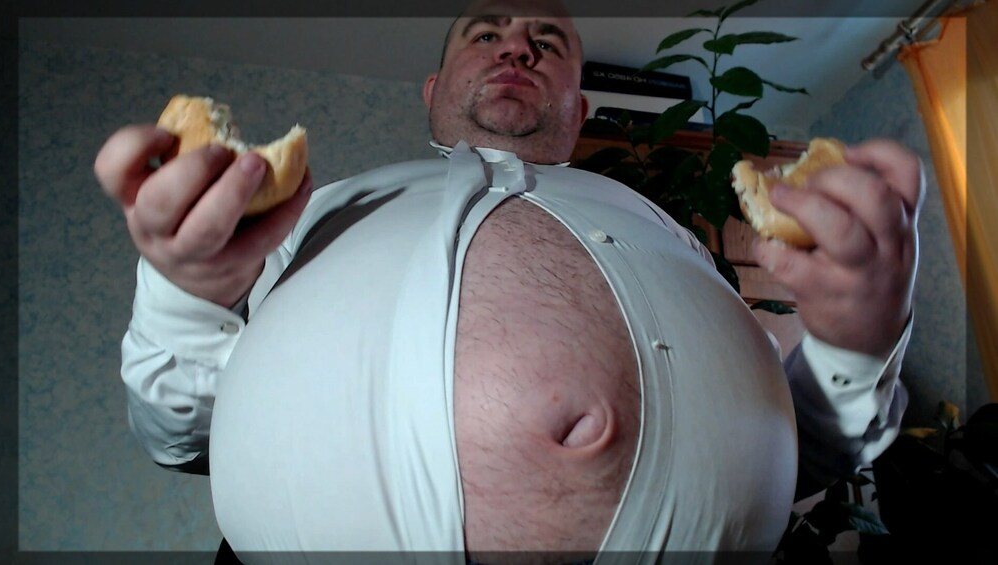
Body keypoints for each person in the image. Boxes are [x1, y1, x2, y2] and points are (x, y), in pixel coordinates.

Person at [94, 1, 922, 563]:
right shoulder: (311, 211)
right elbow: (179, 436)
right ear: (434, 91)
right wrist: (187, 289)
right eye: (484, 33)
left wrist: (856, 341)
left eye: (546, 42)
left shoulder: (667, 229)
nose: (516, 47)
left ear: (579, 108)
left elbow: (805, 450)